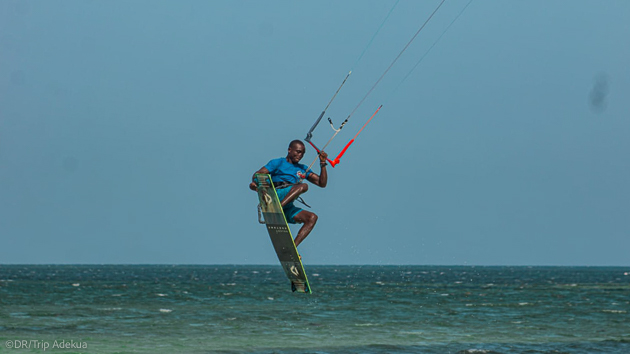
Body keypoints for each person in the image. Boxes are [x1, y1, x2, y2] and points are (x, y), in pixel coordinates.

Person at [249, 140, 328, 247]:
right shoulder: (278, 163)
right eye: (298, 152)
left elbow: (322, 183)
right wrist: (255, 184)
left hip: (287, 205)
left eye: (303, 153)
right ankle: (278, 208)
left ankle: (292, 247)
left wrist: (322, 164)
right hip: (276, 196)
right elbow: (257, 175)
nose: (300, 155)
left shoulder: (303, 168)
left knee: (312, 218)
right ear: (289, 150)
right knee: (304, 186)